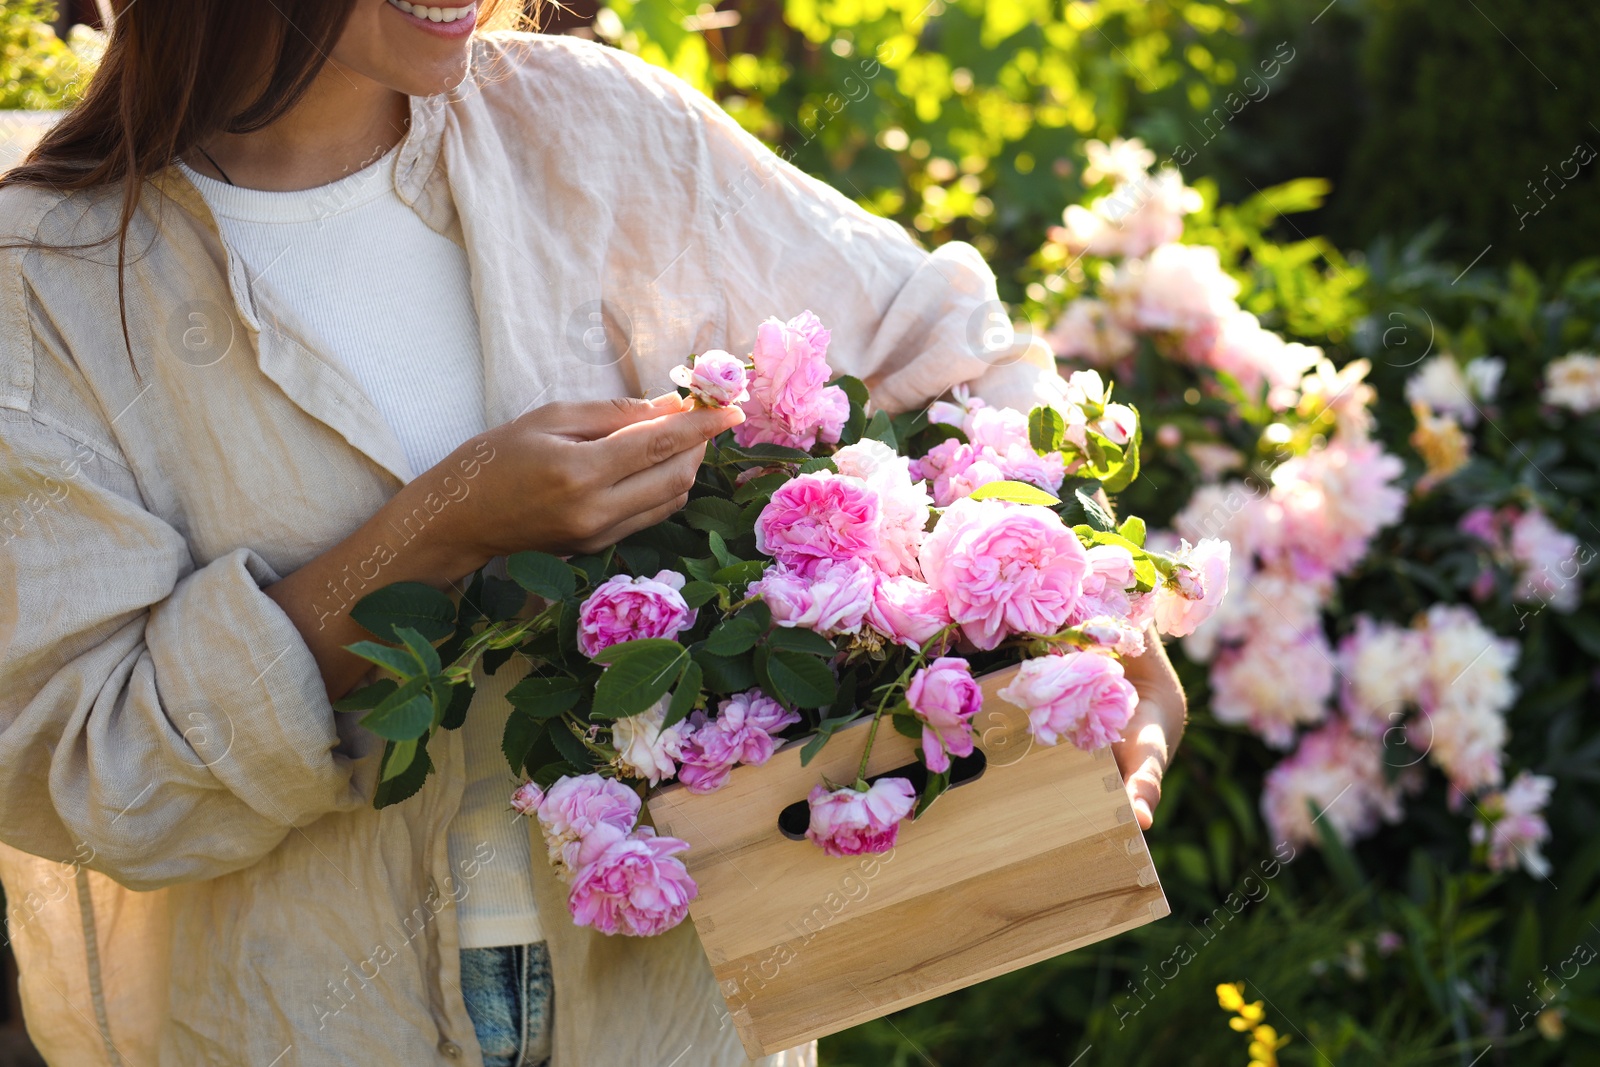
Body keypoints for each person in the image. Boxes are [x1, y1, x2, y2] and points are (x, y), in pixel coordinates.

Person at [0, 2, 1188, 1064]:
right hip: (303, 1019)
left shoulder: (590, 123)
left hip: (680, 1018)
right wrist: (437, 530)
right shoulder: (42, 288)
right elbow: (94, 775)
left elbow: (944, 351)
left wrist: (1094, 602)